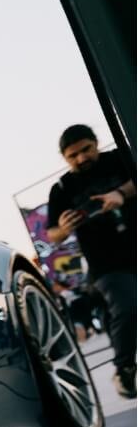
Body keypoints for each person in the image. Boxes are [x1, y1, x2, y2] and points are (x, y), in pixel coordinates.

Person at [45, 124, 136, 397]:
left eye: (86, 150)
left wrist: (120, 194)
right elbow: (53, 235)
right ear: (65, 158)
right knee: (127, 307)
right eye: (73, 155)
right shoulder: (61, 188)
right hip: (105, 262)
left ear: (97, 143)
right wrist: (64, 226)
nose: (82, 158)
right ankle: (125, 369)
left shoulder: (119, 158)